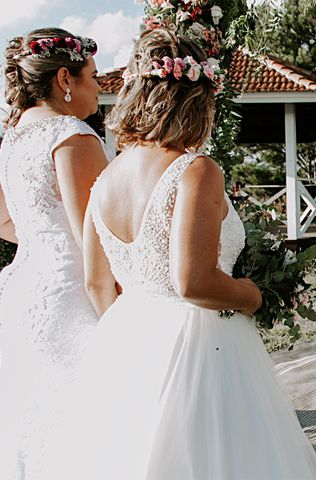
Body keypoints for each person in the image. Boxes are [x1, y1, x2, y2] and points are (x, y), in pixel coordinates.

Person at [45, 29, 316, 479]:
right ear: (199, 99)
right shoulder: (196, 170)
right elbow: (193, 282)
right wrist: (254, 295)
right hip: (200, 345)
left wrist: (134, 339)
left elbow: (97, 283)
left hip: (126, 341)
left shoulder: (106, 179)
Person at [0, 28, 108, 479]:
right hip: (72, 300)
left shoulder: (12, 139)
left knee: (35, 427)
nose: (100, 87)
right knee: (87, 427)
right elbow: (95, 239)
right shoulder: (72, 135)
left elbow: (5, 223)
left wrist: (45, 241)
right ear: (66, 78)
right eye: (94, 76)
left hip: (25, 292)